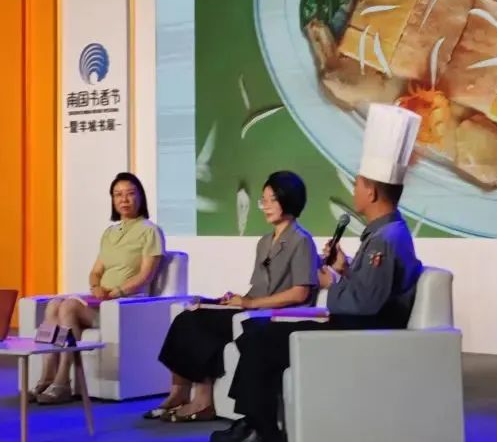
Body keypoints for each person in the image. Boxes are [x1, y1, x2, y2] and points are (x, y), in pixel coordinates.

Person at [211, 104, 424, 442]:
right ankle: (253, 422)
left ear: (372, 193)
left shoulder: (385, 239)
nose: (354, 189)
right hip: (356, 324)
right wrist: (346, 268)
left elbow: (365, 304)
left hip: (361, 332)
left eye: (358, 183)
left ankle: (261, 433)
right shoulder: (386, 233)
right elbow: (371, 288)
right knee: (255, 332)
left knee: (262, 338)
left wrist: (330, 282)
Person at [149, 171, 319, 423]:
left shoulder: (301, 241)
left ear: (289, 199)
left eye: (272, 200)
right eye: (263, 200)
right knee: (189, 315)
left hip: (269, 315)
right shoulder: (264, 242)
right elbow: (258, 287)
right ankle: (179, 392)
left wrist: (249, 303)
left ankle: (203, 400)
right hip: (251, 306)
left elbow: (300, 292)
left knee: (198, 323)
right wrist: (232, 300)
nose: (265, 206)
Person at [30, 172, 165, 405]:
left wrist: (117, 292)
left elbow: (146, 275)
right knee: (53, 305)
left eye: (130, 194)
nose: (124, 200)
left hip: (124, 305)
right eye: (118, 195)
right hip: (102, 301)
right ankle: (46, 378)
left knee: (69, 307)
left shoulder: (150, 231)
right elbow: (96, 271)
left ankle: (63, 382)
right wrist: (95, 286)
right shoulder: (110, 233)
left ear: (140, 197)